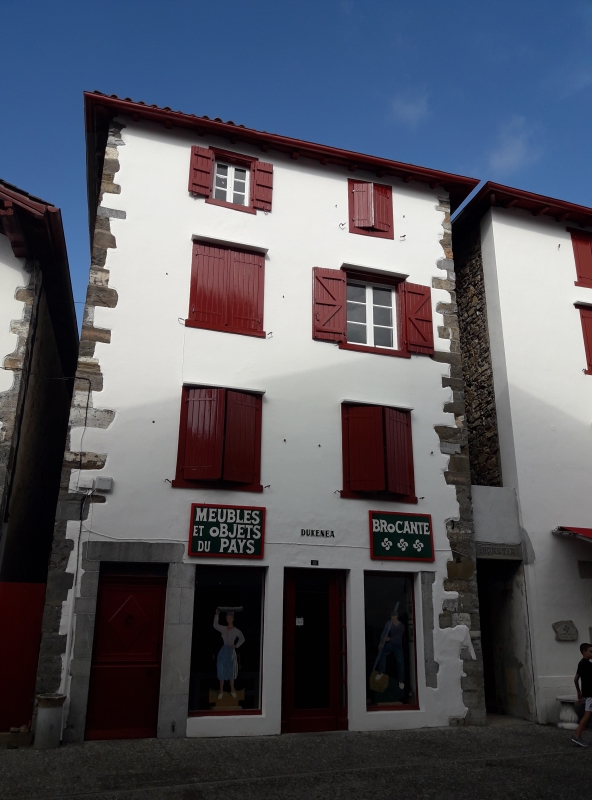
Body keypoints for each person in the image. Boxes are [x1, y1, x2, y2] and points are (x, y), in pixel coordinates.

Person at [213, 608, 245, 699]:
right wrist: (217, 615)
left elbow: (242, 638)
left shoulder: (236, 630)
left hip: (231, 651)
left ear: (233, 619)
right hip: (223, 651)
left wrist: (236, 645)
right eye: (227, 618)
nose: (228, 620)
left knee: (231, 670)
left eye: (230, 618)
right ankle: (221, 691)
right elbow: (215, 625)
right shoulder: (223, 628)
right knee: (221, 669)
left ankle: (232, 690)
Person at [374, 606, 405, 690]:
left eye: (394, 616)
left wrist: (389, 639)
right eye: (392, 616)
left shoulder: (401, 626)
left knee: (400, 662)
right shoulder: (388, 623)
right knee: (382, 653)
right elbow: (384, 632)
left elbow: (399, 637)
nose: (393, 617)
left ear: (397, 616)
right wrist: (381, 642)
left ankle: (401, 681)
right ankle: (381, 672)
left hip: (398, 645)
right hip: (391, 644)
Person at [572, 642, 592, 747]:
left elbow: (575, 679)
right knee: (587, 715)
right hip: (591, 694)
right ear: (584, 652)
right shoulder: (588, 665)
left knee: (588, 715)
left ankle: (577, 735)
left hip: (587, 693)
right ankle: (577, 735)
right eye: (591, 651)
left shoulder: (581, 663)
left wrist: (579, 692)